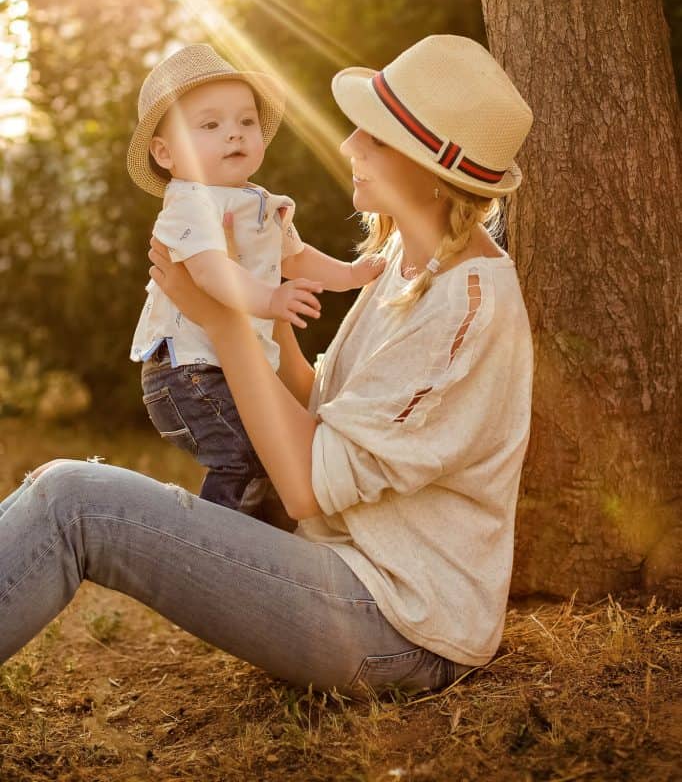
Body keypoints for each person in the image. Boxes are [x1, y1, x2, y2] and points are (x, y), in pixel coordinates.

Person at [0, 35, 534, 699]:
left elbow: (307, 485)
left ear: (431, 168)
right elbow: (322, 415)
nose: (349, 147)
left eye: (374, 136)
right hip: (343, 566)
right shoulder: (404, 263)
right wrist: (257, 285)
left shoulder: (465, 309)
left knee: (72, 500)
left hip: (400, 626)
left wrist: (223, 323)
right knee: (66, 493)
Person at [127, 43, 382, 513]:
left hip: (226, 364)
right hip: (186, 370)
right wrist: (269, 299)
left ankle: (257, 543)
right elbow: (209, 270)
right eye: (211, 125)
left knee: (273, 457)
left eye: (246, 122)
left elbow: (296, 257)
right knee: (246, 455)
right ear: (165, 153)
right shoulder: (190, 203)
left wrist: (352, 274)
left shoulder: (259, 202)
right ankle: (210, 541)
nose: (234, 135)